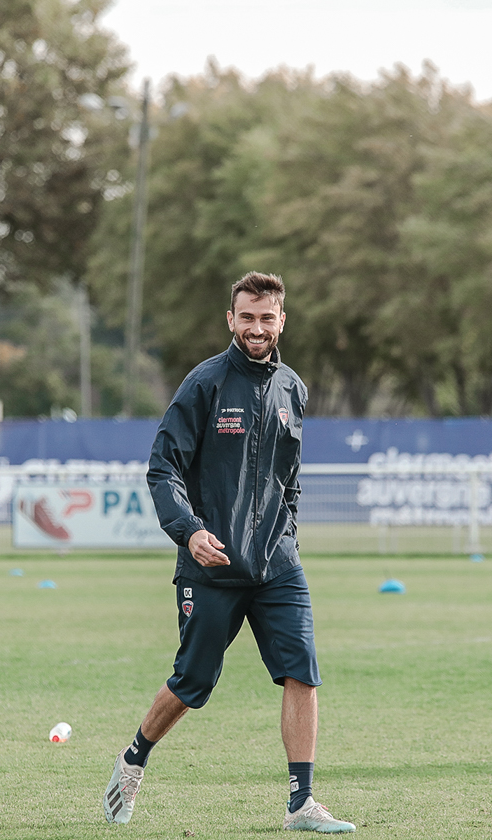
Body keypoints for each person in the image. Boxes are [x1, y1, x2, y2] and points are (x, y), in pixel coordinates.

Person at [103, 272, 355, 833]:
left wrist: (287, 533)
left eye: (267, 318)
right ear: (231, 319)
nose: (257, 328)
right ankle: (134, 758)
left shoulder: (294, 388)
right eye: (247, 318)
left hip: (278, 566)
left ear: (282, 320)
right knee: (193, 682)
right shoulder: (204, 384)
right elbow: (162, 467)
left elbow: (290, 479)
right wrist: (189, 531)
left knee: (303, 673)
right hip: (211, 565)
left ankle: (302, 803)